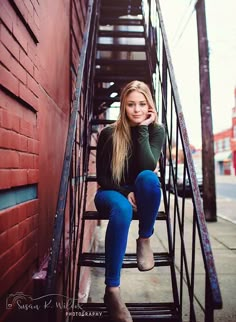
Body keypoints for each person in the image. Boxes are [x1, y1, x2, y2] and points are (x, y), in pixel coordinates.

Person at [94, 80, 165, 322]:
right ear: (123, 106)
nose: (136, 109)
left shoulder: (156, 130)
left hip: (138, 189)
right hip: (110, 192)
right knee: (122, 209)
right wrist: (125, 193)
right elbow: (102, 177)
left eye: (142, 104)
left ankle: (144, 238)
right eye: (131, 104)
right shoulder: (109, 133)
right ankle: (112, 290)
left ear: (149, 107)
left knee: (148, 178)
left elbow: (147, 166)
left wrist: (144, 128)